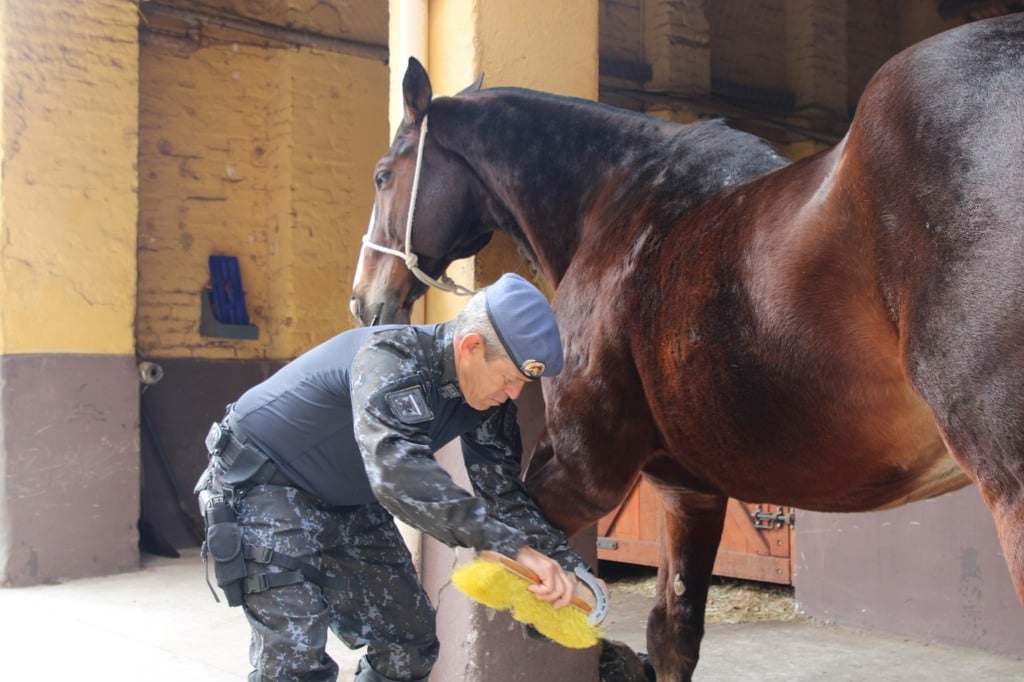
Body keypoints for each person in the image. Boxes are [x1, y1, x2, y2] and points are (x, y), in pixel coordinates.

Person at [195, 273, 594, 682]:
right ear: (471, 347)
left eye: (522, 384)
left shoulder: (486, 398)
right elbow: (399, 472)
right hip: (267, 484)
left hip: (349, 500)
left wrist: (562, 566)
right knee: (295, 662)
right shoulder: (390, 357)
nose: (513, 394)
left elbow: (501, 491)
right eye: (509, 378)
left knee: (410, 643)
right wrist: (508, 546)